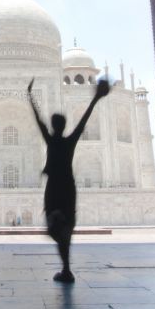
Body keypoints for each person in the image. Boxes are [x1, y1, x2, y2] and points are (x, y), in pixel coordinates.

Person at [27, 76, 110, 283]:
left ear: (54, 126)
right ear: (64, 126)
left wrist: (30, 97)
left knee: (55, 227)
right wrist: (96, 99)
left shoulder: (50, 140)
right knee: (65, 227)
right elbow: (82, 122)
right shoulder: (69, 141)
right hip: (68, 187)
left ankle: (65, 268)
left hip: (54, 188)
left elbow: (39, 121)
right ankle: (66, 267)